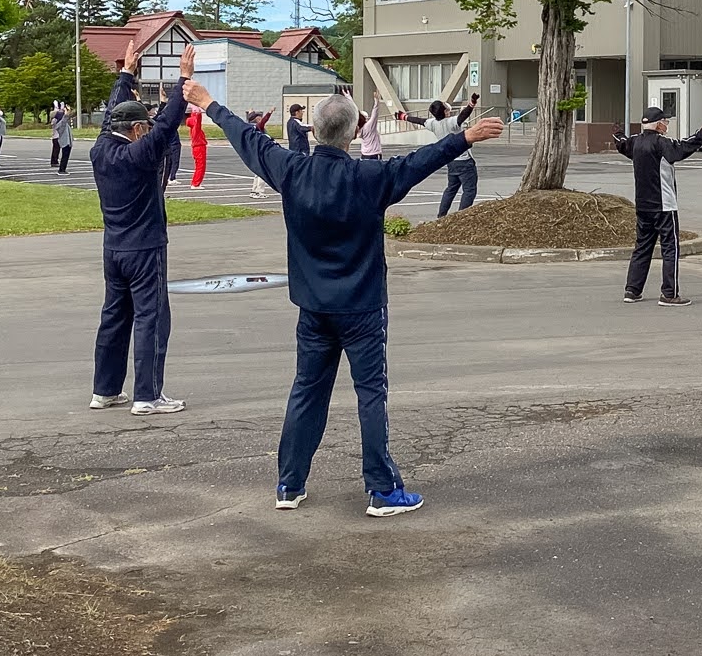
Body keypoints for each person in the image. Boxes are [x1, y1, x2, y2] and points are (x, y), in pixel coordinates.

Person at [187, 83, 505, 515]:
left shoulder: (291, 170)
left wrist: (208, 103)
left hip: (313, 307)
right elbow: (417, 162)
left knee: (306, 391)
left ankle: (289, 483)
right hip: (362, 306)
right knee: (370, 394)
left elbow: (250, 140)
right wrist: (463, 138)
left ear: (313, 131)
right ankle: (381, 489)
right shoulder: (369, 177)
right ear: (354, 132)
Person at [88, 40, 193, 416]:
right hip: (145, 247)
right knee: (152, 317)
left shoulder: (100, 148)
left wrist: (126, 74)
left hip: (113, 247)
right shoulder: (140, 154)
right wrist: (183, 80)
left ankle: (104, 390)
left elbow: (108, 117)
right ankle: (147, 395)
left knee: (114, 315)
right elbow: (167, 125)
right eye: (143, 127)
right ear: (135, 129)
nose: (148, 131)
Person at [614, 105, 702, 306]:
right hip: (664, 205)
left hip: (642, 205)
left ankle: (632, 290)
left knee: (642, 247)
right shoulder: (662, 144)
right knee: (670, 248)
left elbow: (621, 143)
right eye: (665, 121)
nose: (667, 125)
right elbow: (685, 146)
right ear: (659, 124)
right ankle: (669, 294)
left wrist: (617, 133)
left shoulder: (635, 143)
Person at [407, 94, 479, 216]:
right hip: (464, 160)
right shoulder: (451, 122)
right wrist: (472, 103)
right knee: (469, 191)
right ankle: (461, 218)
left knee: (451, 189)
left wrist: (403, 117)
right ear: (445, 112)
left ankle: (441, 215)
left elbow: (418, 121)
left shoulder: (433, 124)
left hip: (450, 161)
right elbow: (463, 115)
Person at [245, 109, 275, 197]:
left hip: (254, 152)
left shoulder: (248, 127)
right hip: (261, 152)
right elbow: (264, 121)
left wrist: (251, 113)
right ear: (257, 119)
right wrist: (269, 112)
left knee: (257, 173)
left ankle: (254, 191)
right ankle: (259, 192)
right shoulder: (258, 127)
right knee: (263, 172)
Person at [50, 101, 74, 173]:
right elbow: (65, 117)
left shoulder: (60, 123)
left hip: (66, 141)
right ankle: (62, 169)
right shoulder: (60, 124)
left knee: (65, 156)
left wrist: (68, 111)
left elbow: (66, 117)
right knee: (65, 156)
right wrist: (68, 110)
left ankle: (62, 169)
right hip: (65, 141)